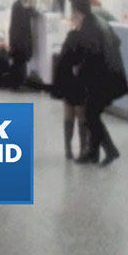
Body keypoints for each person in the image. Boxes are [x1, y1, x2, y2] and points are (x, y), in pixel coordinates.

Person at [69, 0, 127, 166]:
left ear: (78, 12)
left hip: (102, 79)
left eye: (72, 11)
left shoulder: (89, 28)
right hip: (109, 76)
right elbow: (116, 41)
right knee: (92, 113)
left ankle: (110, 150)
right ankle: (92, 153)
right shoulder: (97, 21)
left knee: (91, 115)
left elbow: (90, 57)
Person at [52, 25, 88, 160]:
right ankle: (83, 147)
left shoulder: (70, 37)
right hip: (80, 81)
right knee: (81, 115)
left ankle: (68, 148)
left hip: (68, 80)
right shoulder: (86, 38)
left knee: (69, 115)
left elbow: (62, 59)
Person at [8, 0, 36, 88]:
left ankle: (18, 82)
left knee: (19, 61)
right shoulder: (19, 7)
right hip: (19, 39)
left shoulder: (17, 5)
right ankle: (19, 82)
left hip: (17, 38)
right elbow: (28, 15)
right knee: (20, 60)